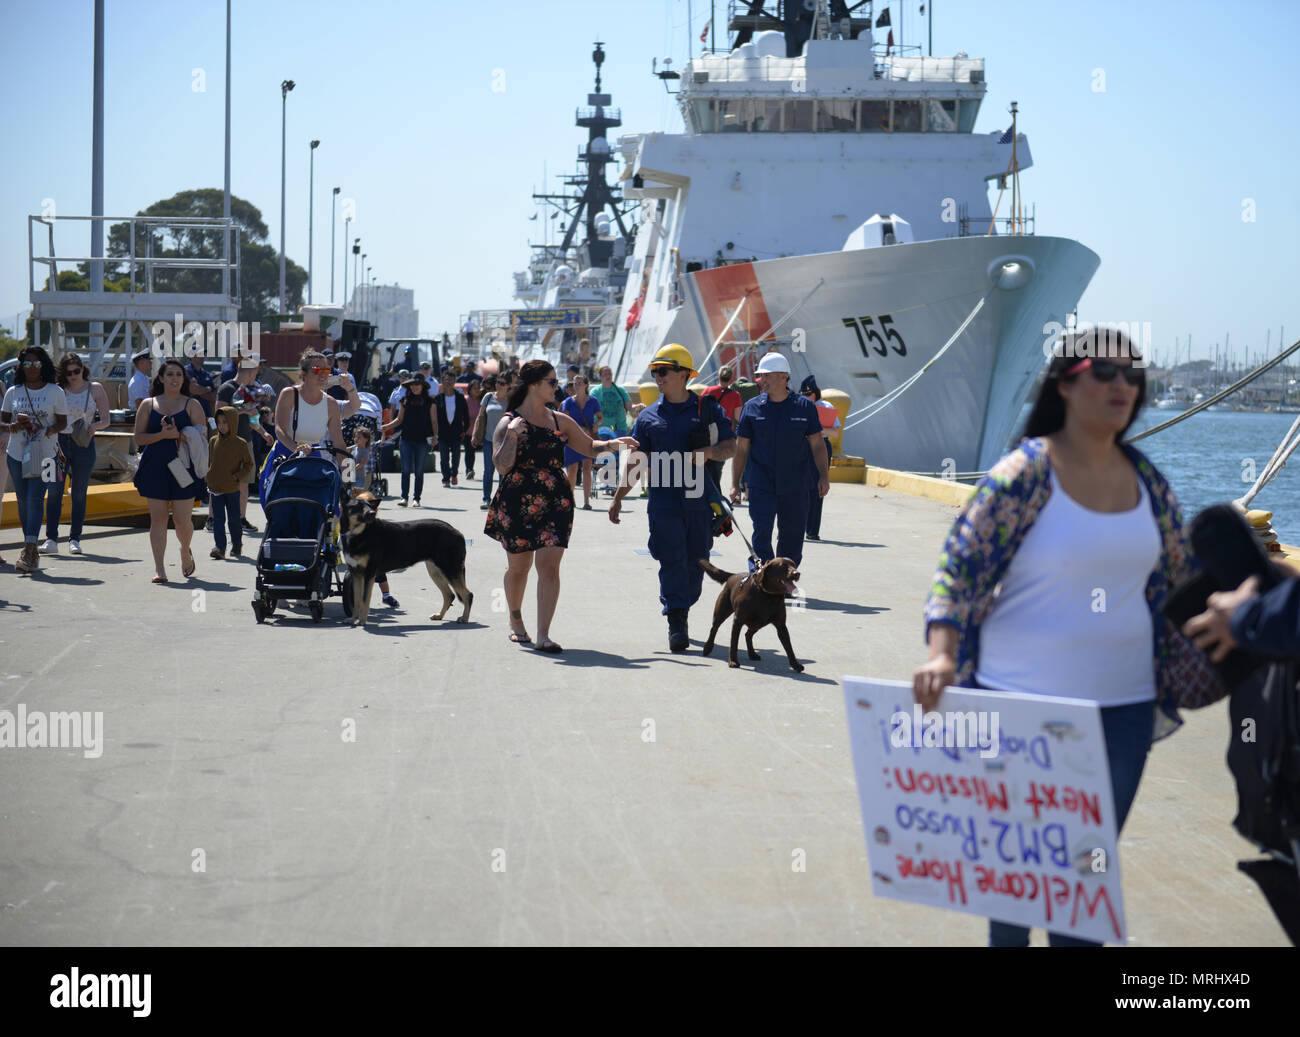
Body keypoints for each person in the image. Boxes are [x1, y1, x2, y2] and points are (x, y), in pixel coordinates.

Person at [914, 328, 1189, 948]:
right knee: (1015, 887)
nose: (1123, 386)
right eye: (1106, 373)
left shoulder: (1149, 481)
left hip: (1123, 711)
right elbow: (960, 567)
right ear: (1066, 383)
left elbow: (1183, 578)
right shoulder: (1025, 473)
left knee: (1081, 881)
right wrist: (942, 655)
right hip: (1019, 707)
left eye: (1133, 376)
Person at [485, 359, 636, 652]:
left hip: (555, 499)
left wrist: (614, 444)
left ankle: (543, 635)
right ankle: (516, 620)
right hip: (518, 499)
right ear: (533, 385)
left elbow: (589, 446)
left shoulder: (559, 419)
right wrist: (513, 434)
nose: (558, 387)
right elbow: (501, 467)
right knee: (519, 567)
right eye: (552, 382)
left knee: (549, 566)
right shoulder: (509, 421)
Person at [609, 344, 736, 651]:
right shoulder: (648, 418)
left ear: (683, 375)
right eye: (655, 372)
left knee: (697, 559)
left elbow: (731, 447)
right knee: (670, 556)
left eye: (663, 371)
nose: (658, 377)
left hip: (699, 497)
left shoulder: (707, 411)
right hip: (663, 500)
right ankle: (676, 618)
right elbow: (635, 461)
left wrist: (708, 453)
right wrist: (617, 498)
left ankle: (684, 604)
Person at [731, 352, 828, 568]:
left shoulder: (804, 407)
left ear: (783, 376)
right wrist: (735, 483)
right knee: (762, 531)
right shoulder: (752, 407)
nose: (761, 380)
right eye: (760, 376)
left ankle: (784, 579)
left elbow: (817, 445)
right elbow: (741, 448)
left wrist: (823, 476)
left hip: (795, 485)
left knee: (792, 535)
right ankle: (761, 577)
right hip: (761, 483)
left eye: (766, 376)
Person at [133, 358, 207, 583]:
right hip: (155, 466)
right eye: (170, 374)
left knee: (183, 520)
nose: (175, 378)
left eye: (178, 375)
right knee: (158, 518)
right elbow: (139, 438)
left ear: (183, 380)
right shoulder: (148, 404)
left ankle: (185, 550)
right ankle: (160, 569)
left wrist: (180, 435)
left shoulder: (192, 405)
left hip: (182, 467)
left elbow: (202, 438)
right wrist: (163, 435)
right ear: (161, 378)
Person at [1, 346, 68, 573]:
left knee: (35, 499)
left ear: (44, 366)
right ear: (21, 367)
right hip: (17, 454)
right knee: (22, 500)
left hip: (46, 453)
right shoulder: (13, 391)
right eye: (27, 363)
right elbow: (2, 422)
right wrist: (14, 426)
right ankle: (29, 546)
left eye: (36, 363)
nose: (32, 368)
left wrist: (47, 429)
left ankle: (30, 548)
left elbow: (62, 423)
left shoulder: (55, 391)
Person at [42, 352, 111, 555]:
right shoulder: (58, 389)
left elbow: (106, 419)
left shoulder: (95, 388)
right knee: (54, 490)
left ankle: (75, 538)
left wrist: (94, 426)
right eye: (69, 372)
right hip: (58, 442)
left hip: (83, 441)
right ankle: (51, 538)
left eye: (76, 370)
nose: (73, 375)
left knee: (79, 493)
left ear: (83, 368)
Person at [206, 405, 254, 559]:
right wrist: (210, 476)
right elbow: (211, 462)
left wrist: (237, 477)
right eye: (219, 422)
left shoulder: (240, 444)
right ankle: (219, 548)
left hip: (232, 489)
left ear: (233, 423)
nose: (221, 425)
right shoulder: (213, 441)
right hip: (215, 488)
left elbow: (249, 464)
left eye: (225, 422)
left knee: (234, 520)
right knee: (218, 520)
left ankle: (237, 544)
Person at [382, 373, 436, 506]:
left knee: (419, 470)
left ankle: (416, 498)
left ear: (423, 386)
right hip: (406, 439)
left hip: (423, 440)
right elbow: (399, 420)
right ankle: (404, 497)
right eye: (412, 385)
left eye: (417, 385)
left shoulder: (430, 402)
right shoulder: (404, 401)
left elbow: (434, 421)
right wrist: (386, 426)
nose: (415, 387)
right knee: (405, 469)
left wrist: (436, 436)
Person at [799, 375, 840, 542]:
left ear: (815, 394)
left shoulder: (825, 406)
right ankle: (796, 527)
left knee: (818, 487)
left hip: (821, 445)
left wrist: (818, 429)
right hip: (803, 446)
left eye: (809, 394)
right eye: (804, 394)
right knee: (799, 487)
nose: (806, 397)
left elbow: (835, 432)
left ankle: (812, 530)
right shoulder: (799, 406)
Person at [700, 364, 743, 495]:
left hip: (707, 433)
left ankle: (703, 491)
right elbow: (738, 417)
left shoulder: (708, 390)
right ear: (731, 379)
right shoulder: (735, 395)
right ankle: (713, 493)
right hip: (724, 435)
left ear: (718, 376)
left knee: (703, 462)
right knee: (717, 466)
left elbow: (699, 410)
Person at [561, 374, 602, 509]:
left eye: (579, 383)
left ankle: (586, 501)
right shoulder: (568, 401)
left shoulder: (593, 401)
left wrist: (596, 425)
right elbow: (565, 419)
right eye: (575, 383)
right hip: (572, 438)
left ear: (586, 385)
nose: (577, 385)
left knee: (587, 468)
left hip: (587, 438)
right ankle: (570, 499)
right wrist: (579, 429)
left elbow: (600, 418)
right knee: (572, 469)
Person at [473, 372, 510, 510]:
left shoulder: (510, 400)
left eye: (502, 383)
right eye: (497, 382)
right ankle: (486, 499)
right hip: (489, 440)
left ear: (508, 386)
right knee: (488, 470)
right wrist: (475, 435)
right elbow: (480, 416)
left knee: (503, 472)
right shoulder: (488, 397)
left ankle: (500, 500)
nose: (498, 385)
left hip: (505, 441)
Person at [434, 370, 470, 487]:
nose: (448, 382)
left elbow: (466, 416)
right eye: (446, 379)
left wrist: (464, 430)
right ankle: (445, 478)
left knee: (456, 456)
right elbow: (433, 417)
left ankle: (454, 474)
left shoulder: (460, 397)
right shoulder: (438, 398)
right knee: (444, 458)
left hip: (457, 432)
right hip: (442, 433)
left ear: (455, 381)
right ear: (442, 382)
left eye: (451, 379)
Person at [185, 356, 218, 422]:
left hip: (206, 414)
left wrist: (198, 392)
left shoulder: (206, 374)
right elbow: (193, 389)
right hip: (189, 414)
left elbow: (214, 396)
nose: (202, 356)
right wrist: (208, 389)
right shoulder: (185, 371)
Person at [464, 379, 484, 480]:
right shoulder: (466, 400)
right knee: (469, 452)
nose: (477, 390)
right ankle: (469, 470)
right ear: (470, 390)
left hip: (481, 431)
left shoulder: (483, 400)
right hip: (468, 431)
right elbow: (462, 415)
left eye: (478, 388)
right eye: (474, 388)